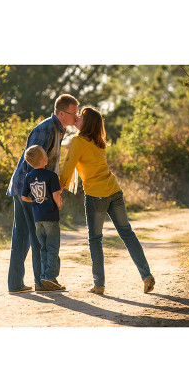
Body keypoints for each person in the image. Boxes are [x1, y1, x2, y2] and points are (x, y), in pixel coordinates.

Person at [59, 107, 155, 295]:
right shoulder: (99, 141)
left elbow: (68, 167)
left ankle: (99, 285)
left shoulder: (78, 141)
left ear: (87, 124)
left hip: (96, 195)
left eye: (82, 117)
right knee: (127, 233)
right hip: (114, 190)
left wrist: (57, 189)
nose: (77, 117)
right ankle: (146, 275)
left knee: (95, 239)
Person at [6, 94, 79, 294]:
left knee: (22, 237)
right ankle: (42, 281)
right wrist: (40, 195)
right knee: (39, 236)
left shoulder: (58, 129)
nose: (77, 117)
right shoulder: (46, 128)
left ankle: (16, 284)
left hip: (26, 188)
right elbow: (32, 164)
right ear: (62, 113)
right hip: (28, 189)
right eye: (75, 113)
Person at [21, 145, 65, 292]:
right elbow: (55, 195)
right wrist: (59, 204)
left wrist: (34, 201)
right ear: (43, 159)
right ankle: (50, 277)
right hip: (51, 217)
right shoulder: (51, 175)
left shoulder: (29, 176)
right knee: (53, 247)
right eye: (45, 154)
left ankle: (44, 277)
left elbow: (23, 197)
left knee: (43, 248)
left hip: (38, 218)